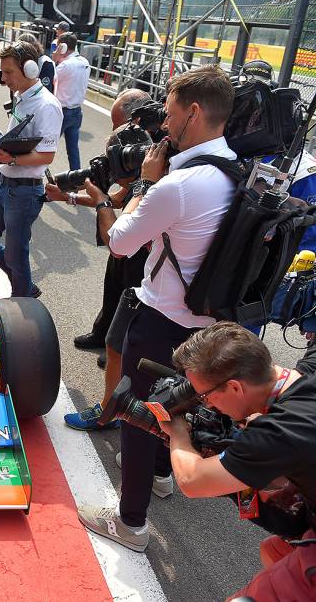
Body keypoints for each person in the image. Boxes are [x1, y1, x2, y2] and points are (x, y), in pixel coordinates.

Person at [76, 65, 238, 553]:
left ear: (192, 113)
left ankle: (130, 524)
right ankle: (164, 475)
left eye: (169, 116)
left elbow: (119, 243)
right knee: (178, 406)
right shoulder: (234, 167)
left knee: (138, 414)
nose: (163, 128)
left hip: (161, 318)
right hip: (208, 325)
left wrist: (143, 184)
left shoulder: (177, 184)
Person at [162, 323, 316, 599]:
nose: (206, 405)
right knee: (273, 550)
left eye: (205, 396)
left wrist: (177, 431)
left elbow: (192, 481)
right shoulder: (306, 377)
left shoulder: (280, 433)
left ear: (234, 386)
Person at [60, 90, 155, 434]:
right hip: (151, 275)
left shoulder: (156, 182)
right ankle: (116, 411)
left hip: (153, 279)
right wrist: (72, 195)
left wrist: (102, 202)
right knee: (116, 343)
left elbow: (119, 237)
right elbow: (118, 197)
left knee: (127, 348)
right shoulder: (157, 173)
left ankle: (116, 415)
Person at [0, 42, 62, 299]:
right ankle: (25, 286)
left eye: (9, 72)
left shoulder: (47, 105)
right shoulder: (22, 97)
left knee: (16, 254)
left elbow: (47, 154)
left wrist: (9, 158)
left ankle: (22, 302)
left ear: (30, 69)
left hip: (25, 191)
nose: (4, 78)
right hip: (4, 185)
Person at [53, 32, 90, 170]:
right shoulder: (84, 62)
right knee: (73, 149)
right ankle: (77, 179)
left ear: (62, 46)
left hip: (62, 112)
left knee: (47, 146)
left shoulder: (65, 66)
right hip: (77, 111)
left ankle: (37, 177)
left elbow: (50, 79)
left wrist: (55, 59)